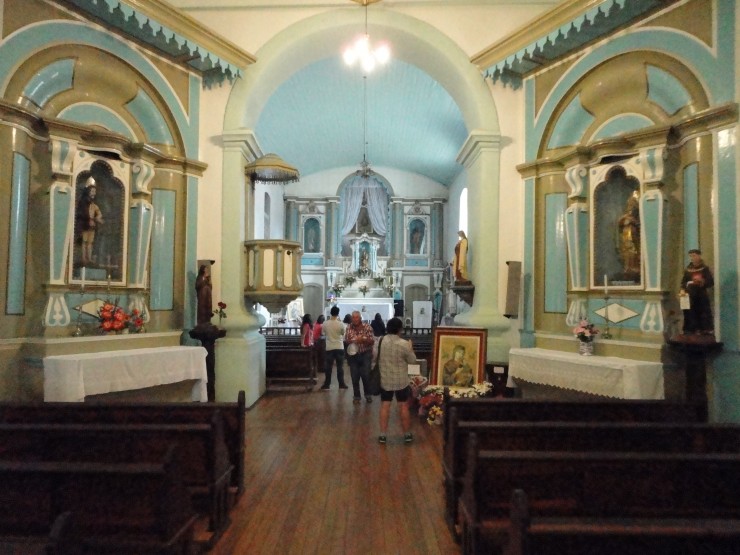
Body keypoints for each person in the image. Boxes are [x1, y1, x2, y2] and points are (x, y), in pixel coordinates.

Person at [377, 317, 418, 444]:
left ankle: (383, 435)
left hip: (385, 379)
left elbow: (374, 356)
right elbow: (412, 361)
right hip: (401, 380)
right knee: (403, 405)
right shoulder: (404, 344)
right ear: (400, 329)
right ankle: (407, 434)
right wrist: (411, 348)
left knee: (385, 405)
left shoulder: (381, 341)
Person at [679, 249, 715, 336]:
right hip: (690, 295)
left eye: (694, 256)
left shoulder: (704, 269)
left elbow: (710, 282)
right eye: (691, 256)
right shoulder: (688, 270)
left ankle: (704, 330)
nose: (692, 258)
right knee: (690, 313)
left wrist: (702, 281)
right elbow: (683, 282)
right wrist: (683, 289)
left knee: (702, 312)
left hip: (701, 296)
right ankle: (691, 329)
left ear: (699, 256)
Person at [344, 310, 375, 403]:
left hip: (365, 353)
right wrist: (350, 340)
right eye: (353, 317)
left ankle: (368, 394)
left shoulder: (367, 327)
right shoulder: (349, 327)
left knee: (366, 375)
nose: (355, 319)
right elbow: (346, 340)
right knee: (354, 376)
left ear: (360, 318)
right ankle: (356, 396)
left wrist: (363, 340)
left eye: (356, 317)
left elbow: (372, 341)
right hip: (353, 354)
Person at [76, 176, 104, 266]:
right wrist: (89, 219)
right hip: (85, 225)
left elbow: (98, 212)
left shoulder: (94, 204)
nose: (94, 193)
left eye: (95, 192)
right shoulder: (83, 202)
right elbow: (82, 212)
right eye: (92, 191)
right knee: (84, 241)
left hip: (91, 226)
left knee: (90, 242)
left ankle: (89, 258)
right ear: (88, 192)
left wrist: (97, 218)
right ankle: (84, 258)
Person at [321, 307, 348, 390]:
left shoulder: (325, 323)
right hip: (339, 346)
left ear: (331, 313)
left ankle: (327, 385)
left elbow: (323, 333)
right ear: (338, 313)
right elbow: (343, 334)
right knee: (340, 367)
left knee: (328, 367)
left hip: (329, 347)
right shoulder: (341, 324)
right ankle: (341, 384)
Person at [617, 190, 641, 278]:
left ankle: (635, 268)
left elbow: (640, 226)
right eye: (629, 205)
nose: (630, 208)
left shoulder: (638, 216)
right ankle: (627, 268)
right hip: (626, 238)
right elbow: (619, 224)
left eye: (632, 206)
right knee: (626, 252)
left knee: (634, 252)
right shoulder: (625, 217)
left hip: (634, 238)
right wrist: (624, 220)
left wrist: (634, 222)